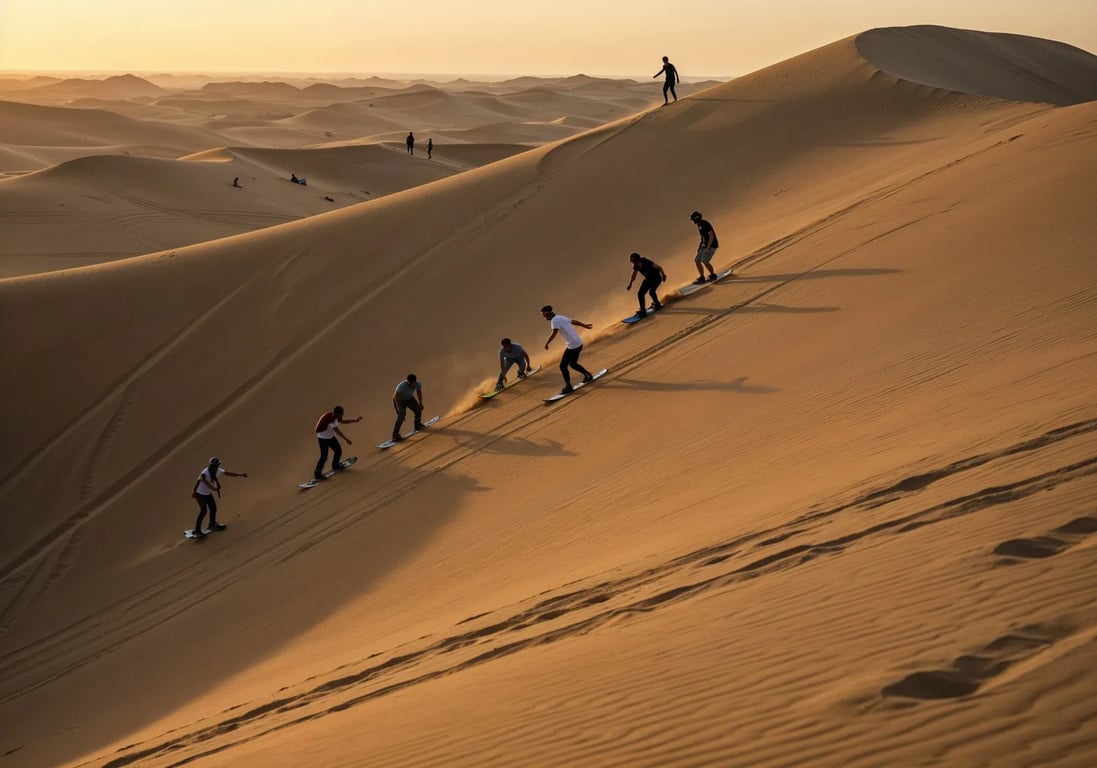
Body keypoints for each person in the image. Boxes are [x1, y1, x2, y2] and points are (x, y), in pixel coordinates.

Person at [542, 305, 594, 395]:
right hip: (578, 343)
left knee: (563, 366)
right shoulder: (561, 317)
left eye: (543, 314)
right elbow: (573, 321)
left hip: (573, 345)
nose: (543, 316)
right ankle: (587, 375)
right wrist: (584, 325)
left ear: (547, 313)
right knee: (572, 364)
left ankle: (568, 386)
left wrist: (547, 343)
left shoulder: (554, 320)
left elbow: (554, 333)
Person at [191, 457, 247, 537]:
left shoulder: (218, 470)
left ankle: (212, 524)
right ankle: (197, 530)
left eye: (217, 465)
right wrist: (194, 492)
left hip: (207, 493)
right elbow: (202, 482)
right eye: (214, 466)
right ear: (211, 465)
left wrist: (240, 475)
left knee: (213, 508)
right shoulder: (204, 473)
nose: (216, 467)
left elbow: (228, 473)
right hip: (200, 494)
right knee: (204, 511)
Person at [314, 405, 361, 481]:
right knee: (324, 456)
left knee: (338, 450)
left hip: (330, 437)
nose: (341, 416)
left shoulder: (335, 417)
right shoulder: (330, 420)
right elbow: (337, 430)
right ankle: (317, 473)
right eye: (341, 414)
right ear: (336, 414)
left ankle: (335, 465)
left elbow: (342, 421)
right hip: (323, 439)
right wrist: (346, 439)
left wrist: (355, 420)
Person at [392, 374, 426, 441]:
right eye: (409, 383)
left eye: (412, 383)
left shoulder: (417, 384)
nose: (411, 385)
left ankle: (417, 424)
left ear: (415, 382)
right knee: (401, 416)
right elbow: (395, 398)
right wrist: (398, 410)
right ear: (407, 381)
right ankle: (395, 435)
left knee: (418, 410)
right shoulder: (401, 386)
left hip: (409, 399)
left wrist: (420, 403)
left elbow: (419, 393)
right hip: (400, 401)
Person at [689, 210, 720, 283]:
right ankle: (702, 277)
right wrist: (700, 247)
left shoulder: (705, 224)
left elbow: (711, 236)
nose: (693, 221)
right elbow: (703, 237)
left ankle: (713, 275)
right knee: (697, 260)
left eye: (693, 219)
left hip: (712, 245)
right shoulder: (699, 225)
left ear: (696, 219)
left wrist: (708, 248)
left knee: (705, 260)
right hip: (705, 246)